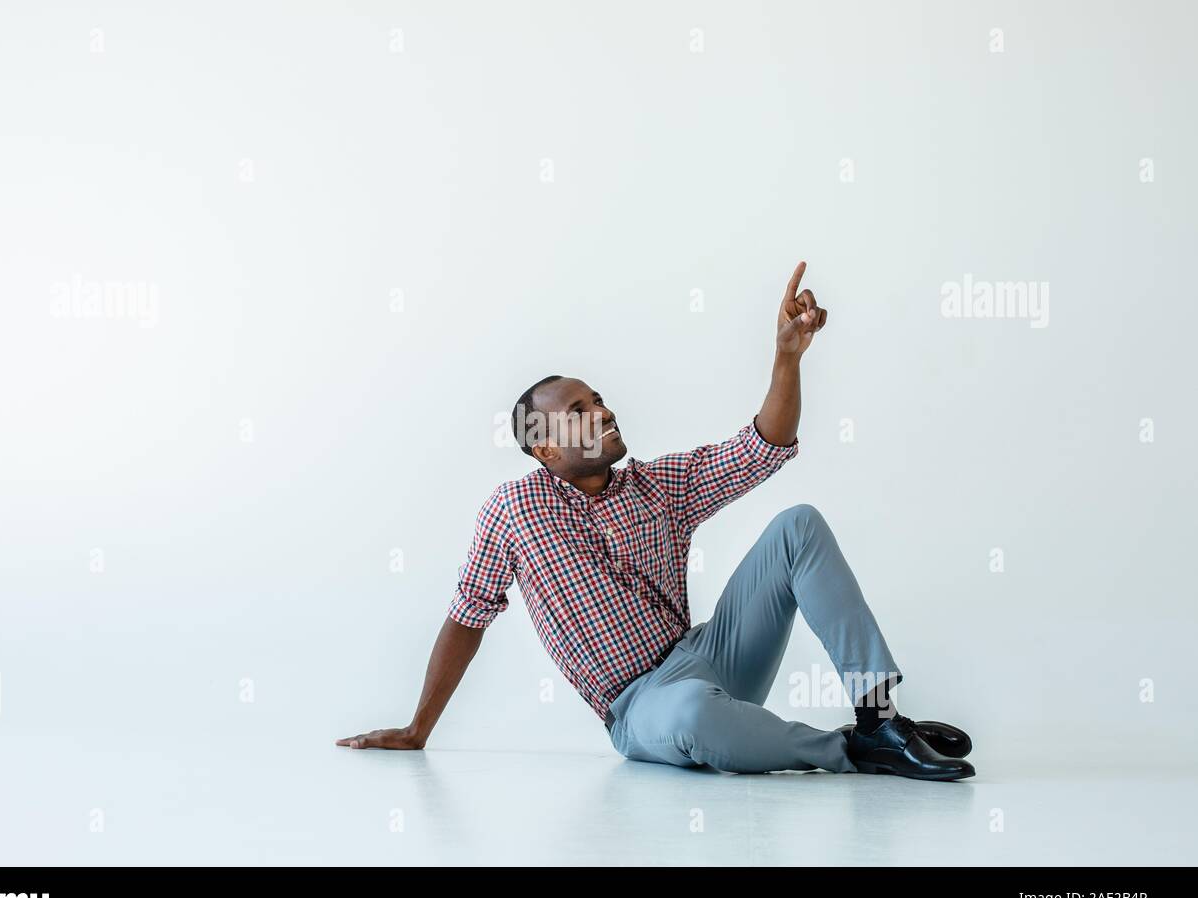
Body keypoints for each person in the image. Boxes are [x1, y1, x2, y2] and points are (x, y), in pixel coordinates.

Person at [337, 262, 975, 781]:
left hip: (710, 653)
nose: (605, 412)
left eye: (600, 399)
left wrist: (787, 359)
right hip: (640, 705)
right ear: (546, 448)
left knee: (798, 526)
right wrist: (419, 729)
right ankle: (850, 751)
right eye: (581, 411)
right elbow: (467, 618)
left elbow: (764, 445)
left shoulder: (659, 484)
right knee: (696, 715)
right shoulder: (511, 513)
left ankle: (878, 719)